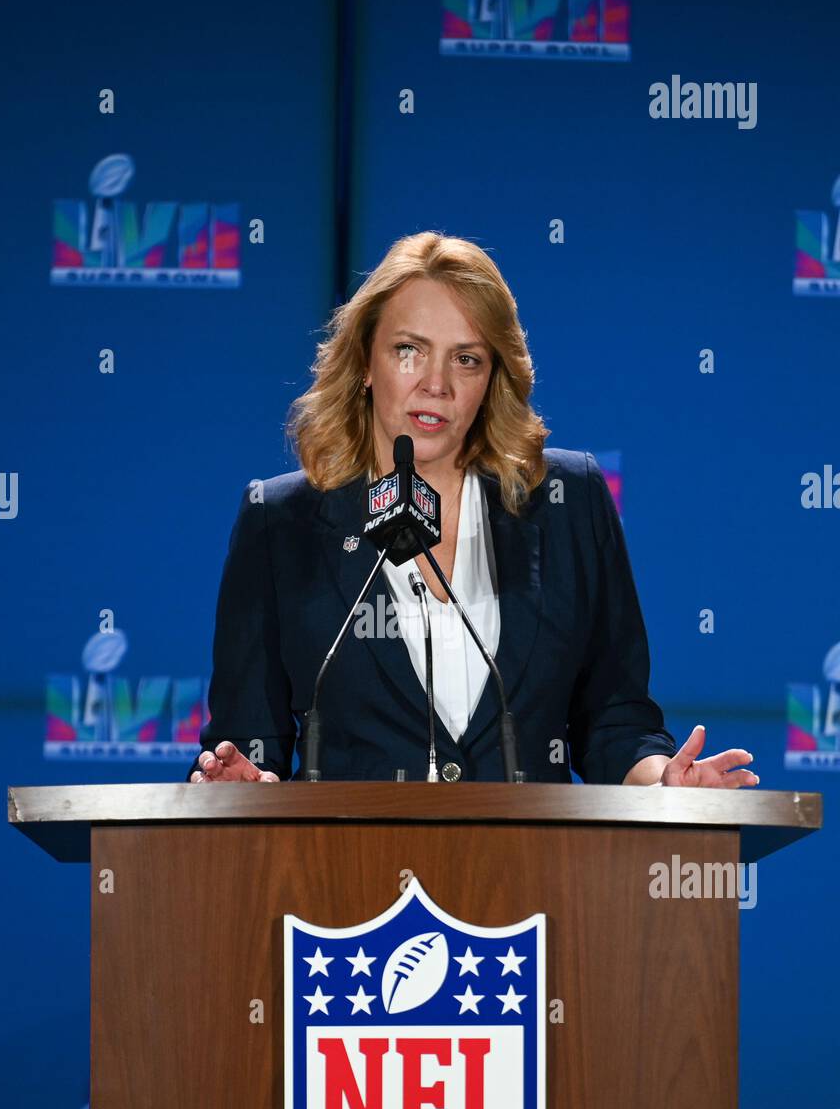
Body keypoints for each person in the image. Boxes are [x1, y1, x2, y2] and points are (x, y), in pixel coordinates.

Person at [189, 231, 757, 789]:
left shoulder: (568, 502)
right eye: (408, 351)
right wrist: (243, 781)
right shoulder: (281, 522)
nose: (436, 384)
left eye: (465, 358)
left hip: (531, 874)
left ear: (492, 377)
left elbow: (614, 720)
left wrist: (662, 782)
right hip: (352, 873)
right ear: (365, 361)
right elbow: (248, 741)